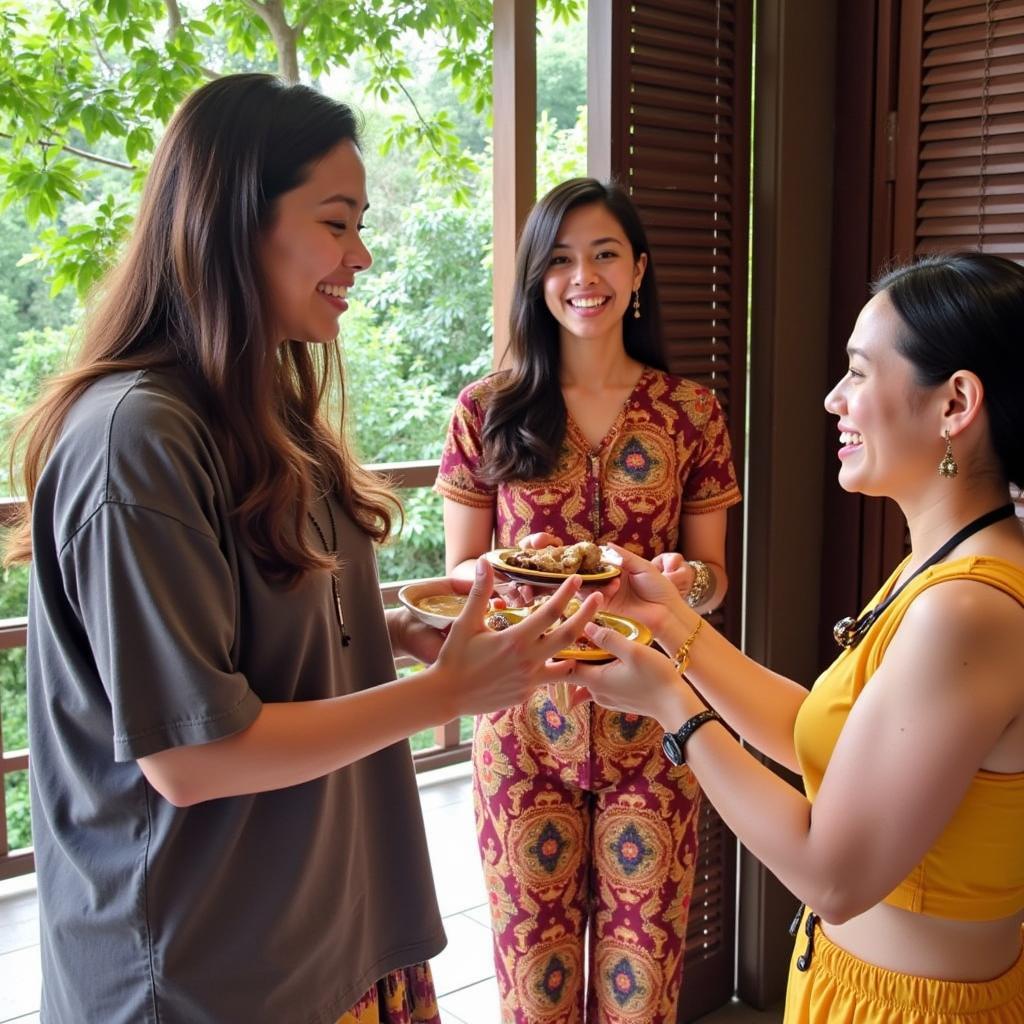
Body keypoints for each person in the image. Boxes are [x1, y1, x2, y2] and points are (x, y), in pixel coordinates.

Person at [6, 73, 600, 1024]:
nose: (361, 254)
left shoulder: (265, 414)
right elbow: (193, 757)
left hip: (331, 924)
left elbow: (283, 637)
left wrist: (406, 636)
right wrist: (446, 695)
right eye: (336, 221)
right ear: (234, 220)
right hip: (206, 972)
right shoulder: (135, 440)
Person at [573, 251, 1024, 1023]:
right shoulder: (944, 562)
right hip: (860, 987)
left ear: (955, 403)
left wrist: (670, 706)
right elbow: (824, 738)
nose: (832, 399)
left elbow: (833, 878)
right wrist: (667, 618)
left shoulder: (970, 609)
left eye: (857, 372)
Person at [434, 178, 741, 1023]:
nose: (584, 276)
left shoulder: (692, 413)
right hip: (523, 726)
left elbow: (714, 578)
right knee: (535, 987)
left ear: (637, 271)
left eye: (605, 254)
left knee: (642, 987)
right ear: (537, 280)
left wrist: (685, 583)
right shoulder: (486, 410)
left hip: (660, 727)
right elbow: (461, 567)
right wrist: (509, 564)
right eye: (560, 259)